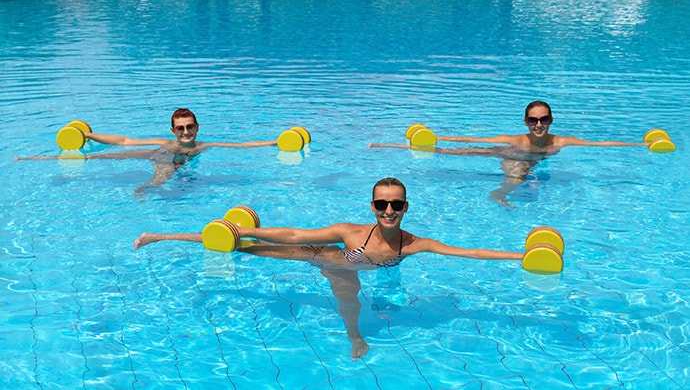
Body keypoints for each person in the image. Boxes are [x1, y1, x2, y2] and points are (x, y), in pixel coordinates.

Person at [133, 177, 524, 360]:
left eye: (397, 205)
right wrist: (244, 228)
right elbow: (292, 233)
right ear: (373, 207)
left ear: (406, 208)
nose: (389, 210)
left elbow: (467, 252)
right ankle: (160, 236)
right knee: (247, 249)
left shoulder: (415, 244)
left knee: (366, 289)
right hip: (330, 261)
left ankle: (356, 331)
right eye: (382, 204)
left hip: (359, 265)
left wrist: (521, 258)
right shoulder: (350, 232)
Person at [369, 101, 647, 207]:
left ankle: (503, 191)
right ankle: (498, 195)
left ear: (551, 120)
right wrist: (433, 136)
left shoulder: (561, 141)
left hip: (532, 161)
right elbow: (469, 140)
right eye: (533, 120)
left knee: (523, 173)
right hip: (513, 153)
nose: (539, 124)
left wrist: (640, 146)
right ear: (526, 122)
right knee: (458, 153)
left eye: (544, 119)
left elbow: (599, 144)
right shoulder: (513, 138)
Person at [16, 108, 277, 192]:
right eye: (180, 129)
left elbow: (242, 145)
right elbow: (125, 141)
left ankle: (147, 188)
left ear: (197, 127)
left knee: (161, 177)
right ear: (173, 131)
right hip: (161, 154)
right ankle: (38, 158)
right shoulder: (166, 142)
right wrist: (87, 134)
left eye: (189, 128)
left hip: (170, 160)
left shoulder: (203, 145)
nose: (185, 132)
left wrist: (275, 143)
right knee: (101, 155)